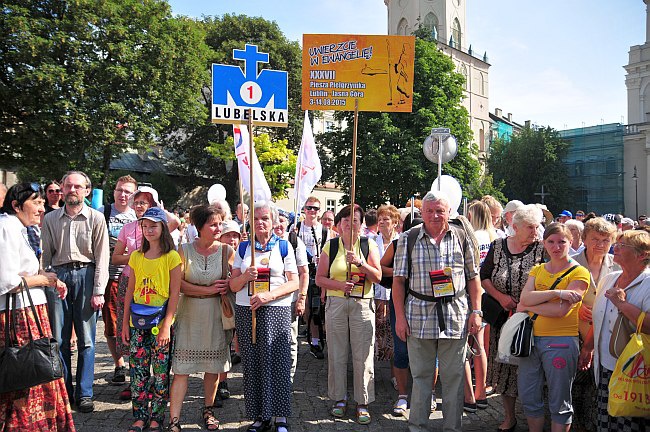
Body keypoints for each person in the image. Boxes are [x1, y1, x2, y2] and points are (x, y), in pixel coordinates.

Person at [392, 190, 482, 432]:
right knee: (421, 378)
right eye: (429, 211)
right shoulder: (408, 238)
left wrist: (477, 311)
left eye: (440, 210)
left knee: (453, 379)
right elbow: (398, 281)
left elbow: (474, 278)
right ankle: (417, 427)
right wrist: (399, 318)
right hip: (418, 316)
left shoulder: (462, 237)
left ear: (449, 212)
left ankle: (452, 428)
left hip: (455, 315)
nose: (434, 215)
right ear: (422, 213)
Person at [0, 183, 75, 431]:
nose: (42, 208)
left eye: (43, 203)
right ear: (16, 205)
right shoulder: (6, 227)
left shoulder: (22, 228)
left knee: (39, 370)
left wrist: (50, 279)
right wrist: (44, 280)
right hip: (18, 314)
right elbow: (8, 281)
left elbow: (27, 270)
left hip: (31, 310)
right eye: (37, 202)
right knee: (25, 372)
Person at [41, 171, 110, 413]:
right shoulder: (50, 219)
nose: (72, 190)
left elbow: (102, 257)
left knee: (87, 340)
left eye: (77, 186)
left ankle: (84, 394)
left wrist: (99, 290)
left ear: (87, 191)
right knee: (59, 340)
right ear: (61, 188)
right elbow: (45, 255)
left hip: (87, 275)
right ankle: (64, 392)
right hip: (58, 277)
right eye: (68, 185)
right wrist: (46, 281)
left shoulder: (96, 218)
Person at [229, 201, 298, 432]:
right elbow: (232, 284)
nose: (260, 222)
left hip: (276, 309)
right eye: (256, 219)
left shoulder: (284, 246)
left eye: (265, 218)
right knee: (252, 362)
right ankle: (259, 415)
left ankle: (279, 416)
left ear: (274, 221)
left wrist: (269, 296)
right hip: (247, 309)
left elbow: (294, 282)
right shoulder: (243, 248)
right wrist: (246, 277)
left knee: (278, 361)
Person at [517, 223, 590, 432]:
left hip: (561, 341)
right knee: (529, 396)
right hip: (530, 341)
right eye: (551, 241)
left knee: (559, 400)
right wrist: (558, 294)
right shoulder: (538, 269)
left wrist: (530, 304)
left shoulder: (579, 272)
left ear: (571, 243)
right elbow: (523, 298)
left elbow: (561, 312)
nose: (556, 247)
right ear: (544, 243)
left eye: (561, 242)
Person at [168, 205, 234, 431]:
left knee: (213, 368)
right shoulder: (183, 250)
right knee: (181, 370)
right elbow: (178, 283)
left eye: (220, 223)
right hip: (189, 315)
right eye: (213, 224)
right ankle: (174, 419)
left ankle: (208, 410)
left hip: (216, 316)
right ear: (199, 227)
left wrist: (235, 282)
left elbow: (233, 283)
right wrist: (208, 290)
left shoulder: (227, 251)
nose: (218, 228)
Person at [315, 204, 382, 425]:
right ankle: (339, 398)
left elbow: (378, 277)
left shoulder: (368, 244)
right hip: (336, 303)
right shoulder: (330, 246)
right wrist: (339, 285)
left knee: (363, 355)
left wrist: (360, 263)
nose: (349, 223)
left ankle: (362, 401)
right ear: (339, 224)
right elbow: (319, 279)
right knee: (337, 352)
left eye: (354, 220)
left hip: (362, 304)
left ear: (361, 224)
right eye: (345, 219)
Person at [481, 204, 545, 432]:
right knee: (505, 370)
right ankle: (510, 416)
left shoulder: (542, 249)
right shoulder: (498, 246)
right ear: (515, 227)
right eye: (530, 227)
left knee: (531, 369)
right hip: (503, 319)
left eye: (537, 227)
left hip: (534, 321)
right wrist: (501, 298)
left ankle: (534, 417)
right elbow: (484, 277)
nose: (535, 232)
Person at [580, 229, 650, 432]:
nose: (615, 247)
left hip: (636, 370)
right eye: (616, 243)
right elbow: (599, 319)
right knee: (607, 419)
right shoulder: (609, 278)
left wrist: (622, 304)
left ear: (642, 254)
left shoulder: (647, 283)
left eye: (622, 245)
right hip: (606, 366)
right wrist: (588, 347)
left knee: (631, 422)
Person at [112, 186, 176, 400]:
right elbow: (115, 257)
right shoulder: (129, 229)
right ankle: (137, 382)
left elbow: (175, 223)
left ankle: (159, 385)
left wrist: (159, 210)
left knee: (159, 345)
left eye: (145, 202)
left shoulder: (159, 228)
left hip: (158, 294)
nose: (140, 206)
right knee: (133, 336)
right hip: (133, 281)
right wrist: (137, 256)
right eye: (137, 202)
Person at [121, 207, 181, 432]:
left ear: (163, 227)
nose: (148, 230)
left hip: (160, 323)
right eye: (144, 226)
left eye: (153, 225)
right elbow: (130, 291)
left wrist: (167, 325)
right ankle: (139, 415)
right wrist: (126, 323)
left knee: (161, 372)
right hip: (137, 322)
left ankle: (157, 417)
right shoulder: (136, 256)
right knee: (137, 371)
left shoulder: (171, 257)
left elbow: (175, 293)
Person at [571, 217, 619, 432]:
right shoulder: (571, 262)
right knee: (576, 382)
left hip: (605, 334)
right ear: (585, 239)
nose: (600, 244)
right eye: (595, 239)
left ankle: (597, 423)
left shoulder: (616, 264)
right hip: (575, 331)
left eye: (605, 240)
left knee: (601, 383)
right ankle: (577, 423)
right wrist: (576, 307)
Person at [99, 175, 138, 385]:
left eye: (128, 191)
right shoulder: (103, 213)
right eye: (120, 190)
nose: (123, 195)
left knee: (134, 323)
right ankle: (119, 365)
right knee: (111, 325)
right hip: (110, 276)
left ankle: (136, 363)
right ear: (114, 191)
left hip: (136, 279)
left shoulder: (138, 216)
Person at [463, 201, 496, 412]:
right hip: (487, 295)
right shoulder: (495, 237)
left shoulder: (471, 236)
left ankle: (469, 397)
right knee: (480, 346)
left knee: (464, 347)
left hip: (471, 294)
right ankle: (481, 392)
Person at [274, 209, 310, 380]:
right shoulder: (264, 242)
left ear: (287, 223)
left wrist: (301, 299)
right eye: (276, 220)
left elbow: (304, 273)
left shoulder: (295, 242)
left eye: (282, 220)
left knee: (290, 339)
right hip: (269, 301)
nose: (278, 224)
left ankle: (288, 377)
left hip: (290, 300)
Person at [296, 196, 329, 359]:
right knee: (304, 306)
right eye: (309, 208)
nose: (312, 211)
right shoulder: (295, 228)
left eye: (315, 209)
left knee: (316, 308)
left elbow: (329, 251)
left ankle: (315, 341)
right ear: (304, 209)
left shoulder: (324, 230)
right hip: (300, 272)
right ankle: (306, 335)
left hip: (317, 273)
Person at [374, 205, 400, 363]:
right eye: (379, 220)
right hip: (376, 294)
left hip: (395, 294)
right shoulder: (371, 242)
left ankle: (394, 372)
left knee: (393, 333)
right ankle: (376, 369)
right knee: (378, 332)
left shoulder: (402, 242)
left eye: (386, 219)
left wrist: (383, 271)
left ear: (395, 222)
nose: (382, 222)